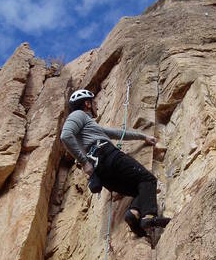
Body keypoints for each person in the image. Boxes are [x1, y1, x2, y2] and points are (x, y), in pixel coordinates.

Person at [61, 89, 170, 237]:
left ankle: (133, 214)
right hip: (106, 154)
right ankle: (149, 217)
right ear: (87, 103)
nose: (97, 105)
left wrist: (142, 137)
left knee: (141, 188)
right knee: (148, 179)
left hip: (102, 174)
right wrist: (84, 162)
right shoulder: (78, 115)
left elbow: (117, 133)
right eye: (94, 102)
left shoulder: (90, 126)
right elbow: (66, 135)